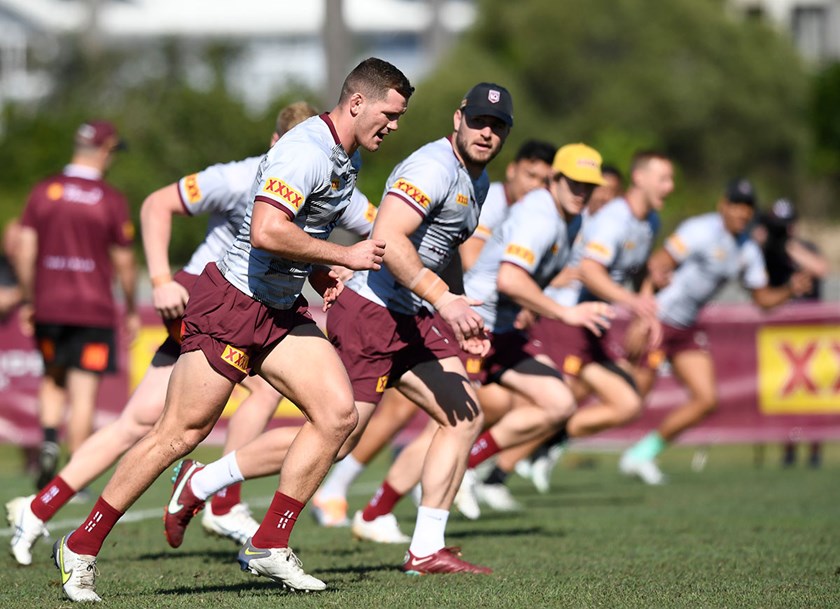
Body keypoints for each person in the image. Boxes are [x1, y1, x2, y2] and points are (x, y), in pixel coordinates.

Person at [50, 57, 413, 602]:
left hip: (280, 308)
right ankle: (79, 545)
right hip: (233, 304)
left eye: (400, 117)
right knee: (179, 434)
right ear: (357, 101)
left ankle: (270, 543)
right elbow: (266, 230)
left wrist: (319, 270)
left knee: (338, 416)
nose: (394, 125)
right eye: (389, 113)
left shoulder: (346, 155)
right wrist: (345, 254)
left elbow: (295, 231)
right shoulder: (306, 150)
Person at [5, 101, 377, 566]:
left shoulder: (334, 168)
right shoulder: (247, 174)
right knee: (235, 407)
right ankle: (218, 498)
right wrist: (160, 280)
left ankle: (39, 509)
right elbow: (158, 203)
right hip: (212, 298)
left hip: (252, 305)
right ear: (279, 144)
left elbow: (371, 222)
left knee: (141, 422)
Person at [310, 138, 556, 527]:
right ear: (515, 169)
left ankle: (408, 526)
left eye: (545, 180)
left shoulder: (483, 185)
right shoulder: (461, 181)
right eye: (532, 176)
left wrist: (458, 301)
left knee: (461, 414)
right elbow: (449, 254)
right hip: (414, 307)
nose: (536, 186)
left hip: (435, 309)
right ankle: (329, 492)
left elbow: (447, 253)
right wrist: (451, 300)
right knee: (349, 429)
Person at [361, 143, 613, 525]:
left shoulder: (570, 218)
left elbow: (521, 279)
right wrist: (564, 311)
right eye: (574, 183)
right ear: (555, 180)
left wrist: (534, 304)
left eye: (588, 186)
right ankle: (374, 513)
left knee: (558, 403)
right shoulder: (541, 217)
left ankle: (467, 467)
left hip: (505, 327)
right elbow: (510, 279)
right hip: (474, 324)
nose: (582, 192)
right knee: (449, 425)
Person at [619, 179, 815, 484]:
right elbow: (657, 265)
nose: (741, 213)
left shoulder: (747, 249)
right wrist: (643, 317)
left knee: (706, 399)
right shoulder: (699, 230)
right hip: (659, 320)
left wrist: (790, 289)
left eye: (747, 208)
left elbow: (762, 300)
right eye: (736, 205)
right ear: (722, 205)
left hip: (686, 327)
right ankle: (551, 443)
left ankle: (640, 455)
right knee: (629, 401)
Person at [513, 151, 673, 490]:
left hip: (589, 322)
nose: (670, 187)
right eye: (664, 179)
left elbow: (641, 267)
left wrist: (644, 303)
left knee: (623, 403)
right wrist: (636, 305)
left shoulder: (650, 220)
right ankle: (491, 468)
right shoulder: (616, 219)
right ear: (640, 178)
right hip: (566, 316)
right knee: (555, 402)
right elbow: (588, 270)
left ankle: (520, 457)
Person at [13, 122, 139, 492]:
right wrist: (131, 307)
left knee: (53, 379)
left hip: (49, 306)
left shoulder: (44, 191)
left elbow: (24, 248)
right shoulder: (110, 199)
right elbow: (126, 263)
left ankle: (50, 438)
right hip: (93, 309)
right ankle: (76, 477)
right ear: (104, 151)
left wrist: (29, 297)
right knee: (83, 393)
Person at [751, 196, 829, 467]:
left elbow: (821, 268)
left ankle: (815, 450)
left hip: (811, 337)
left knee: (813, 394)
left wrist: (790, 247)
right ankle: (789, 448)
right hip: (780, 336)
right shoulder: (765, 251)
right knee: (786, 394)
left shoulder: (803, 248)